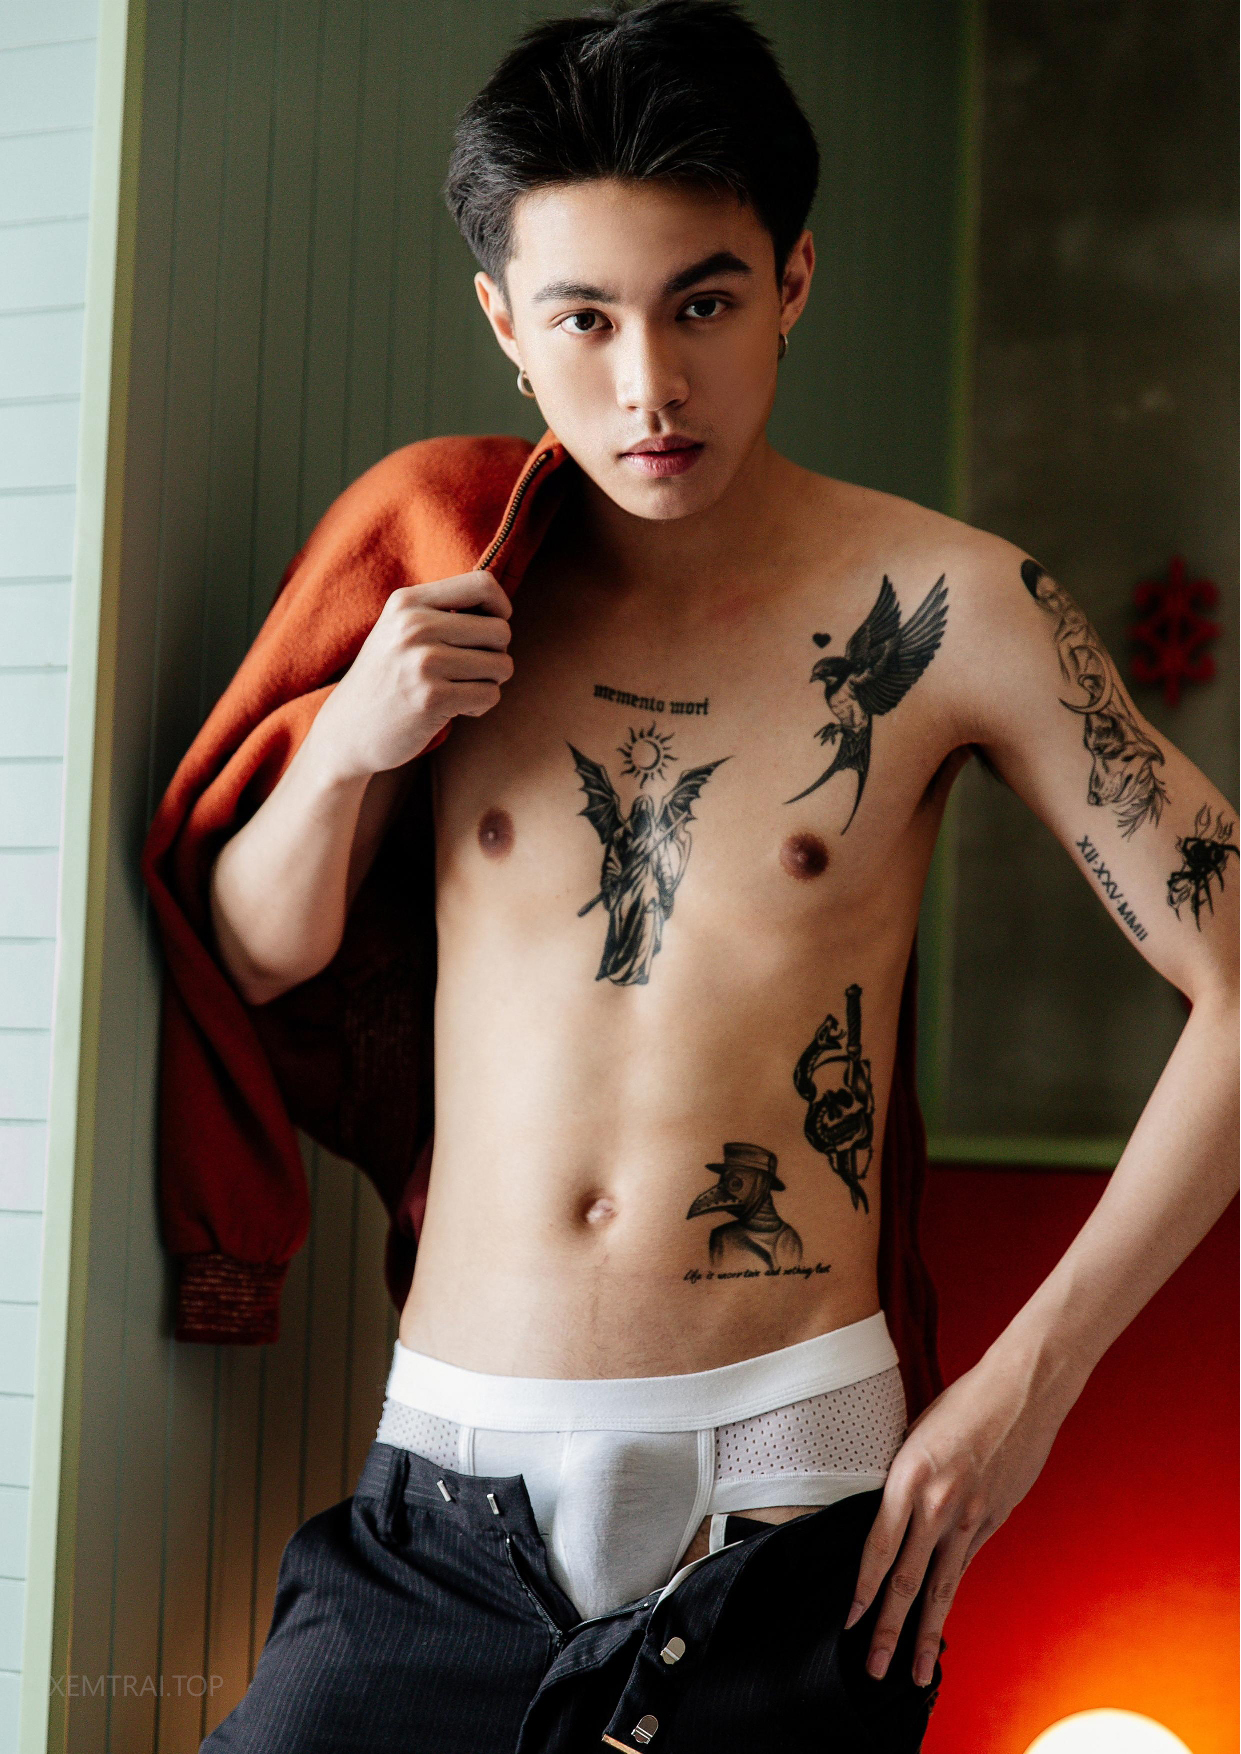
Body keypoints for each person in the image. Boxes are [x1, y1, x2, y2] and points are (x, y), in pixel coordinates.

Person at [181, 2, 1238, 1748]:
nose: (648, 386)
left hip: (785, 1501)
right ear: (504, 321)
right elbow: (255, 955)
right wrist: (353, 742)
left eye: (703, 303)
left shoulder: (956, 607)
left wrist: (1025, 1386)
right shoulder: (451, 563)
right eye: (583, 318)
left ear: (792, 280)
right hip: (444, 1494)